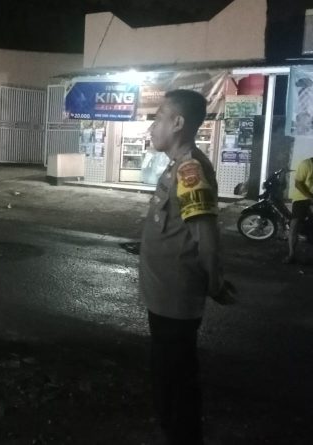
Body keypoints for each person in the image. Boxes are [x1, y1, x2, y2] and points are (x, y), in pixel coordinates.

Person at [139, 90, 234, 445]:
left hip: (175, 301)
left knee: (176, 384)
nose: (152, 126)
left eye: (158, 118)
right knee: (166, 380)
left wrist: (215, 283)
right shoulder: (176, 165)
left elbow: (206, 237)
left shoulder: (190, 169)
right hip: (163, 298)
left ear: (178, 123)